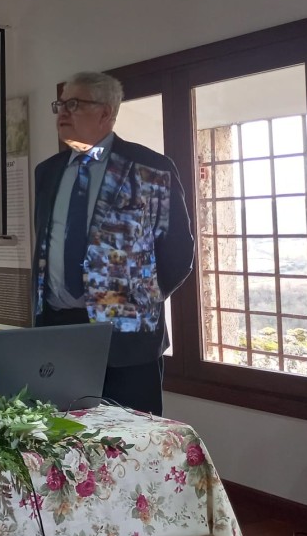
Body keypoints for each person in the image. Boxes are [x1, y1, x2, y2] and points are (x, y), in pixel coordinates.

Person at [32, 71, 194, 415]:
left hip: (127, 339)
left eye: (74, 104)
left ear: (105, 113)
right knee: (64, 444)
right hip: (58, 334)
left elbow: (178, 251)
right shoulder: (48, 172)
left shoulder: (151, 167)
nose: (62, 112)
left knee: (132, 448)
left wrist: (136, 300)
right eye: (60, 104)